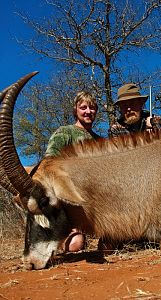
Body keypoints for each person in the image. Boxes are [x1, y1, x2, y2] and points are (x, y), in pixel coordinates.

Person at [45, 91, 100, 253]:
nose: (88, 111)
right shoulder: (65, 132)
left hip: (95, 201)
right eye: (83, 107)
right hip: (70, 201)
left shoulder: (99, 140)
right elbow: (49, 162)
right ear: (75, 110)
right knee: (75, 244)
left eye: (92, 107)